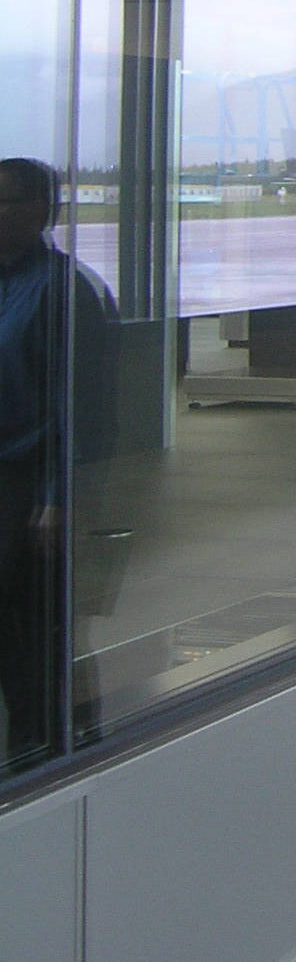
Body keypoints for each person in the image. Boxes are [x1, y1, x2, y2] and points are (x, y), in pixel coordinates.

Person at [0, 158, 117, 768]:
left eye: (7, 202)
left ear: (42, 212)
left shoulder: (64, 288)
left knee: (40, 629)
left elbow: (86, 406)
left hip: (31, 483)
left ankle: (51, 748)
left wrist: (58, 495)